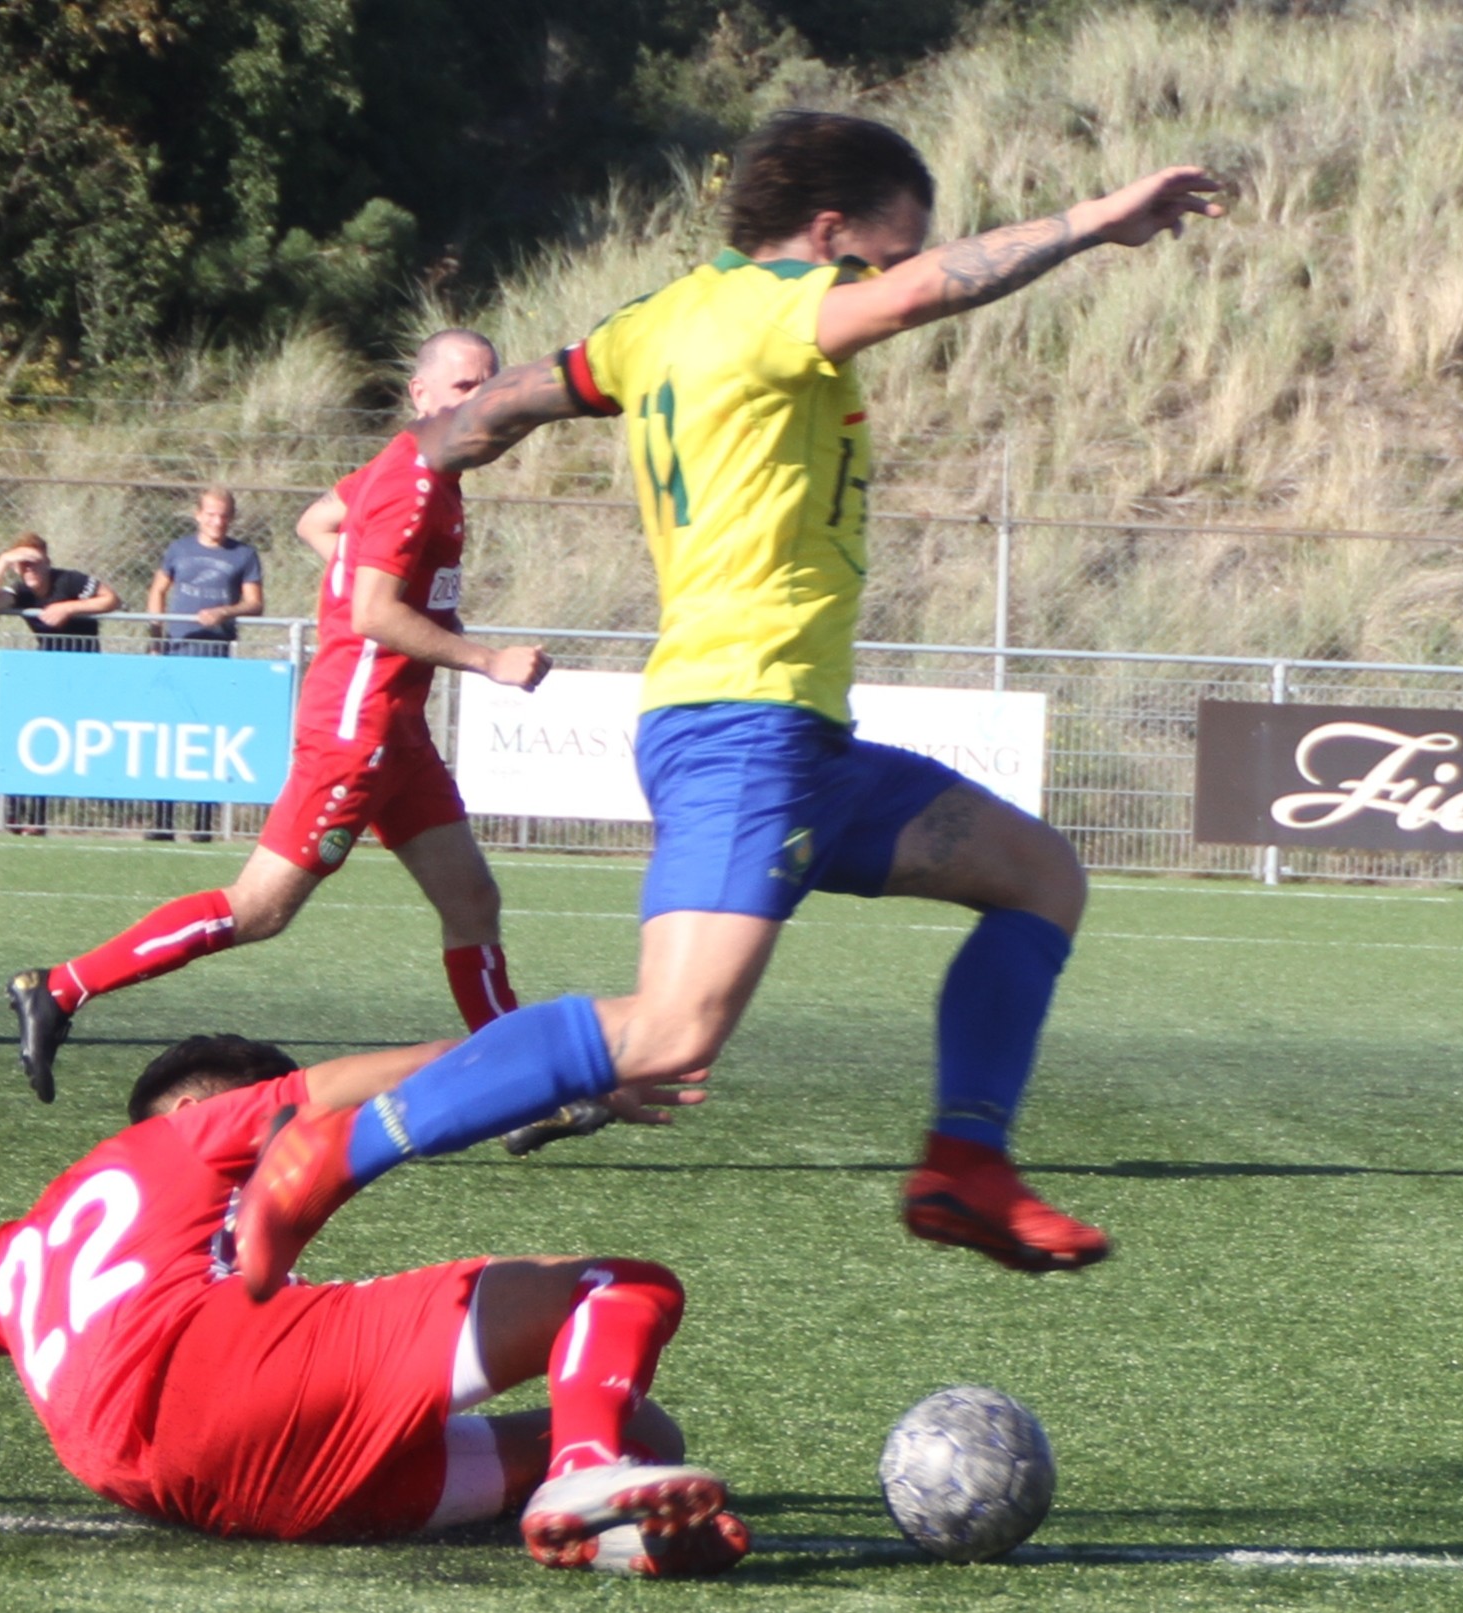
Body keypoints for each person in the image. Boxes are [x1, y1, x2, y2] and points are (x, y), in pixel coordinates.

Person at [266, 112, 1226, 1274]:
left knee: (1038, 875)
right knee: (669, 1033)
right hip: (740, 726)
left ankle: (965, 1163)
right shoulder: (774, 312)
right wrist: (1092, 221)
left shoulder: (652, 322)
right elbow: (923, 294)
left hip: (803, 742)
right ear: (824, 233)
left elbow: (518, 393)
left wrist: (437, 445)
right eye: (873, 253)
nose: (881, 276)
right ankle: (332, 1150)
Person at [0, 1034, 749, 1577]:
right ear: (216, 1108)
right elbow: (365, 1080)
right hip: (235, 1379)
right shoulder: (184, 1128)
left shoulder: (1, 1260)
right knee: (624, 1286)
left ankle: (621, 1532)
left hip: (189, 1490)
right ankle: (580, 1471)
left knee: (652, 1432)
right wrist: (564, 1067)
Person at [3, 332, 556, 1107]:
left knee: (472, 901)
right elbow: (372, 611)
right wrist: (485, 659)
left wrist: (352, 582)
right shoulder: (416, 484)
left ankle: (522, 1091)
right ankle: (59, 988)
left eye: (491, 386)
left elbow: (316, 521)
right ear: (420, 395)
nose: (483, 402)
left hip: (399, 730)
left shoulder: (408, 469)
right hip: (354, 733)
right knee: (259, 908)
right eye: (463, 386)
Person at [0, 533, 120, 833]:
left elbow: (112, 599)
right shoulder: (21, 592)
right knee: (32, 736)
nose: (29, 571)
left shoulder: (70, 581)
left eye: (35, 564)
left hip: (84, 673)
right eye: (22, 565)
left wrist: (68, 608)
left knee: (70, 742)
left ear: (47, 562)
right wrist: (3, 560)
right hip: (48, 674)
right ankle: (27, 814)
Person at [144, 486, 264, 842]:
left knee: (210, 737)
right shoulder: (178, 549)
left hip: (216, 656)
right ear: (198, 514)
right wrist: (156, 635)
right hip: (177, 651)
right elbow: (158, 590)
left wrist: (225, 611)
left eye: (224, 515)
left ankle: (201, 823)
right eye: (211, 514)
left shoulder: (244, 555)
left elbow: (254, 602)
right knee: (169, 734)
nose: (217, 521)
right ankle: (162, 820)